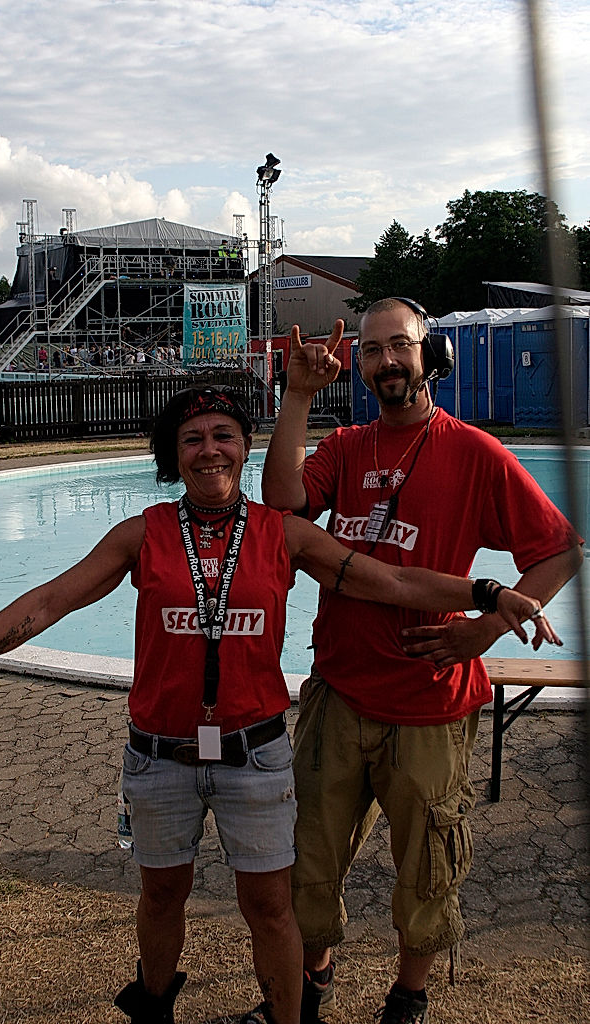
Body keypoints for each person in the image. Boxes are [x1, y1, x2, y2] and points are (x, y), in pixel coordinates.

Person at [0, 386, 556, 1024]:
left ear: (245, 448)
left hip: (255, 756)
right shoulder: (144, 535)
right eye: (192, 439)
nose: (209, 451)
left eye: (224, 436)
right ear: (173, 456)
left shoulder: (286, 534)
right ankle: (154, 1008)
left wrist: (486, 592)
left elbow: (389, 579)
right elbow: (54, 599)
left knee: (271, 904)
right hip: (160, 755)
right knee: (162, 894)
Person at [261, 299, 583, 1024]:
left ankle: (407, 996)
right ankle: (313, 981)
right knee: (307, 856)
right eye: (370, 351)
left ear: (426, 353)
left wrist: (482, 632)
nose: (385, 362)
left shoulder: (473, 453)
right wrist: (297, 395)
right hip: (338, 692)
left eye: (397, 346)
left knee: (429, 868)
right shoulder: (344, 448)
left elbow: (558, 550)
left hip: (432, 702)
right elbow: (281, 502)